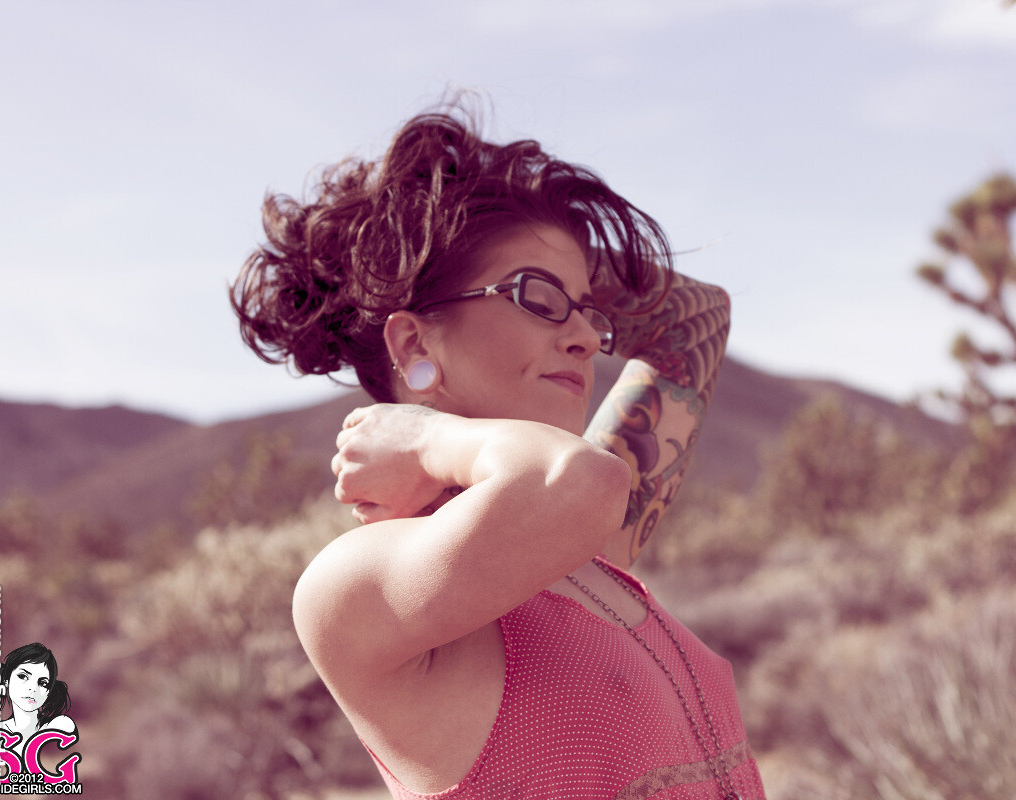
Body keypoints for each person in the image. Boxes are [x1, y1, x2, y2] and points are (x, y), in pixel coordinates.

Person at [231, 101, 764, 799]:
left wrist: (541, 254)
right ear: (414, 343)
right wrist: (424, 435)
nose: (586, 337)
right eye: (539, 297)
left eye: (588, 310)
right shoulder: (358, 585)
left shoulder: (577, 550)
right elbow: (577, 481)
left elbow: (696, 317)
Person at [0, 643, 75, 767]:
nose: (33, 688)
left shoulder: (60, 725)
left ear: (48, 692)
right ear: (6, 680)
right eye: (23, 676)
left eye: (43, 683)